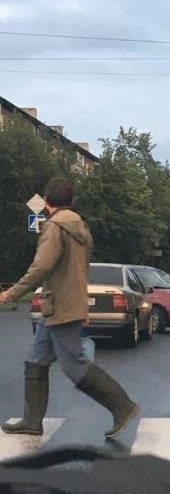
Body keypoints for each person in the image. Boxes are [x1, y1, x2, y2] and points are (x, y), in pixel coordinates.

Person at [0, 178, 140, 439]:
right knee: (35, 361)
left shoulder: (54, 227)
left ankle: (122, 406)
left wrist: (11, 293)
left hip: (61, 306)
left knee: (75, 365)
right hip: (60, 304)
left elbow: (42, 267)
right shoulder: (81, 227)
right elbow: (81, 270)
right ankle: (32, 421)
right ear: (71, 200)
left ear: (47, 200)